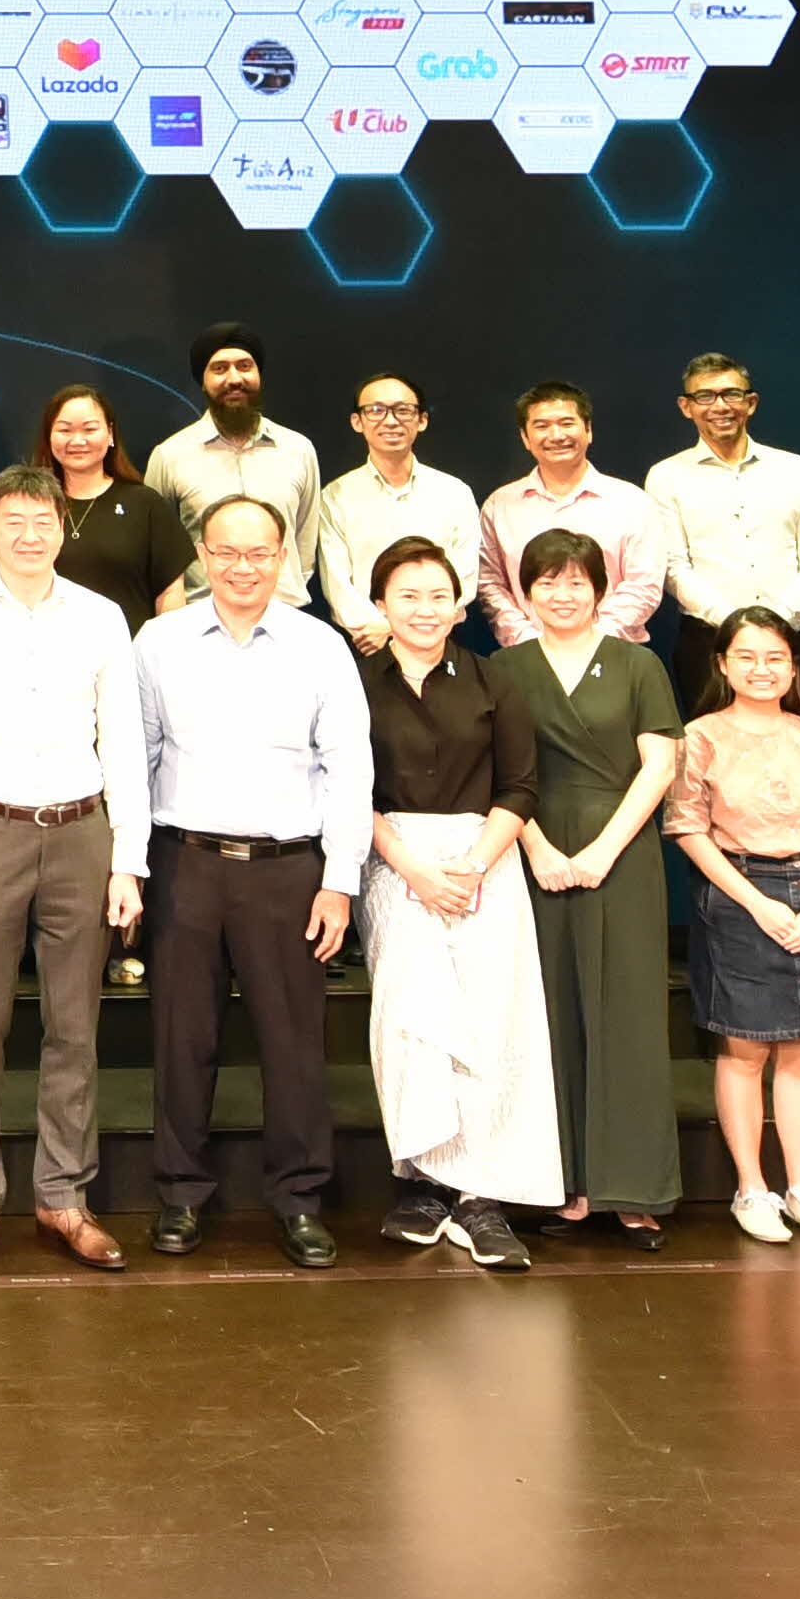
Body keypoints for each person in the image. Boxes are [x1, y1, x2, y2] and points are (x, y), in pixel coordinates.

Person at [137, 494, 372, 1266]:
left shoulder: (320, 645)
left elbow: (349, 768)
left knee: (294, 1043)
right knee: (182, 1037)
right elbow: (134, 762)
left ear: (283, 557)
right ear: (203, 555)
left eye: (259, 553)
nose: (242, 568)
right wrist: (131, 866)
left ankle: (300, 1199)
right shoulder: (160, 641)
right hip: (185, 864)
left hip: (288, 872)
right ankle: (178, 1195)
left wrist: (340, 879)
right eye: (226, 553)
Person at [0, 462, 144, 1272]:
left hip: (83, 832)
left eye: (42, 521)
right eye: (11, 520)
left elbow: (123, 741)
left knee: (73, 1026)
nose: (28, 533)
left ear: (62, 529)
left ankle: (63, 1197)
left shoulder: (101, 617)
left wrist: (130, 860)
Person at [342, 532, 545, 1271]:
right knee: (414, 1024)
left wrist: (473, 864)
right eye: (407, 596)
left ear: (461, 605)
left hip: (484, 859)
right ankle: (425, 1182)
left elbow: (520, 785)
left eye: (438, 596)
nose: (424, 610)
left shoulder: (494, 682)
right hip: (393, 861)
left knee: (490, 1023)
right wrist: (415, 869)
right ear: (379, 605)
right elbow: (344, 791)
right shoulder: (354, 683)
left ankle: (483, 1196)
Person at [499, 524, 688, 1247]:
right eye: (547, 581)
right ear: (526, 590)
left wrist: (606, 849)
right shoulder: (506, 670)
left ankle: (634, 1189)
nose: (563, 593)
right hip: (534, 847)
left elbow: (660, 766)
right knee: (551, 1013)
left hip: (623, 851)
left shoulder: (638, 666)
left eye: (577, 580)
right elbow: (501, 776)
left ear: (600, 590)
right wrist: (540, 847)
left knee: (629, 1014)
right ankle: (566, 1184)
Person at [666, 607, 800, 1244]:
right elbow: (688, 829)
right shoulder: (700, 736)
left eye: (775, 657)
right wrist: (758, 902)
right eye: (747, 657)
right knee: (745, 1048)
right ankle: (752, 1189)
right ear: (722, 664)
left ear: (793, 665)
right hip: (739, 892)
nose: (762, 669)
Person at [639, 355, 800, 713]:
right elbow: (673, 566)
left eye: (731, 394)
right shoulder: (666, 477)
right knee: (714, 757)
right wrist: (735, 626)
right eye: (705, 396)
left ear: (751, 403)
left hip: (790, 636)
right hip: (708, 642)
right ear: (686, 406)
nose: (720, 406)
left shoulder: (798, 470)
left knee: (796, 752)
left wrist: (776, 623)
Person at [475, 384, 665, 645]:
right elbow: (489, 584)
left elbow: (643, 585)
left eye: (567, 423)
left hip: (614, 655)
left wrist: (593, 642)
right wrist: (530, 642)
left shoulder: (632, 502)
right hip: (526, 658)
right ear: (525, 438)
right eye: (541, 426)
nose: (556, 435)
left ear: (588, 430)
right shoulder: (500, 505)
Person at [306, 374, 475, 643]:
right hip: (368, 644)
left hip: (441, 639)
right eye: (375, 410)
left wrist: (397, 629)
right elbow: (336, 584)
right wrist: (379, 630)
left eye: (403, 410)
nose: (390, 420)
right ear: (357, 422)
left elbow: (465, 577)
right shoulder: (336, 496)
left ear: (422, 420)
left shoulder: (454, 492)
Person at [33, 383, 198, 625]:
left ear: (110, 434)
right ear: (49, 436)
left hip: (129, 657)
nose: (78, 440)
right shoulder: (27, 505)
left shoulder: (145, 503)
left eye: (89, 429)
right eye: (65, 430)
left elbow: (171, 593)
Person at [143, 325, 319, 529]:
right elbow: (160, 546)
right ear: (202, 381)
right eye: (220, 368)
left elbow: (304, 552)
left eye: (244, 366)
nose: (235, 379)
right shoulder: (169, 457)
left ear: (259, 375)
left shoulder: (299, 450)